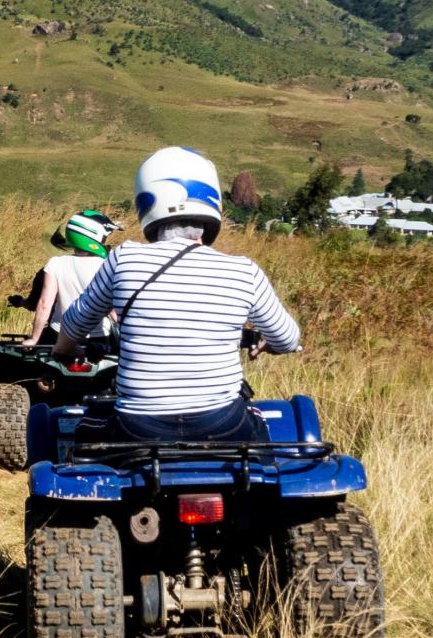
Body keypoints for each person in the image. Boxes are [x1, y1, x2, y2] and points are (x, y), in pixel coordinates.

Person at [57, 146, 300, 443]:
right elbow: (288, 339)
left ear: (145, 201)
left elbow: (73, 325)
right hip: (222, 423)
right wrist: (268, 344)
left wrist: (64, 350)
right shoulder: (243, 270)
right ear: (211, 198)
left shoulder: (124, 259)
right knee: (260, 433)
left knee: (80, 434)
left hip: (139, 427)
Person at [21, 209, 118, 345]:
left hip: (59, 334)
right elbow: (113, 310)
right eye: (104, 237)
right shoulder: (109, 265)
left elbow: (44, 305)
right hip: (98, 338)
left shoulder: (56, 263)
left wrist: (34, 339)